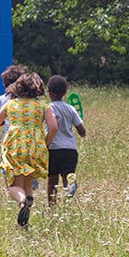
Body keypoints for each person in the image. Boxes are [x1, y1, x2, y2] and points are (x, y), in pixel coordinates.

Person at [0, 71, 56, 229]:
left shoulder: (10, 105)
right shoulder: (43, 106)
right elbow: (53, 127)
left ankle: (21, 202)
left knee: (13, 186)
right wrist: (45, 143)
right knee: (27, 185)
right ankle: (24, 223)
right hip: (35, 147)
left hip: (14, 147)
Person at [46, 75, 86, 204]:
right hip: (70, 149)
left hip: (53, 148)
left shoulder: (47, 108)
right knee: (67, 176)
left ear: (49, 92)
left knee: (52, 180)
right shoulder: (71, 108)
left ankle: (52, 206)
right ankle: (69, 193)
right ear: (65, 93)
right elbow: (82, 131)